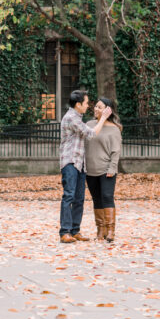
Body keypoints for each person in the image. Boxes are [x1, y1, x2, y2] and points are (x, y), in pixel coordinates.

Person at [58, 89, 111, 243]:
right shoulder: (71, 118)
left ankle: (75, 231)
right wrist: (103, 118)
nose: (88, 106)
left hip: (80, 164)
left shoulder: (78, 117)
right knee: (69, 195)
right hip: (70, 162)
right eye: (86, 103)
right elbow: (90, 133)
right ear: (78, 104)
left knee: (79, 198)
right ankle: (65, 232)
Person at [85, 97, 122, 242]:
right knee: (96, 199)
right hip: (90, 169)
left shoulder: (114, 129)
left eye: (99, 107)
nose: (95, 109)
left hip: (106, 170)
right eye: (95, 107)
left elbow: (115, 152)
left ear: (108, 110)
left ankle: (111, 231)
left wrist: (112, 168)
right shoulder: (89, 125)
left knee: (107, 197)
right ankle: (100, 230)